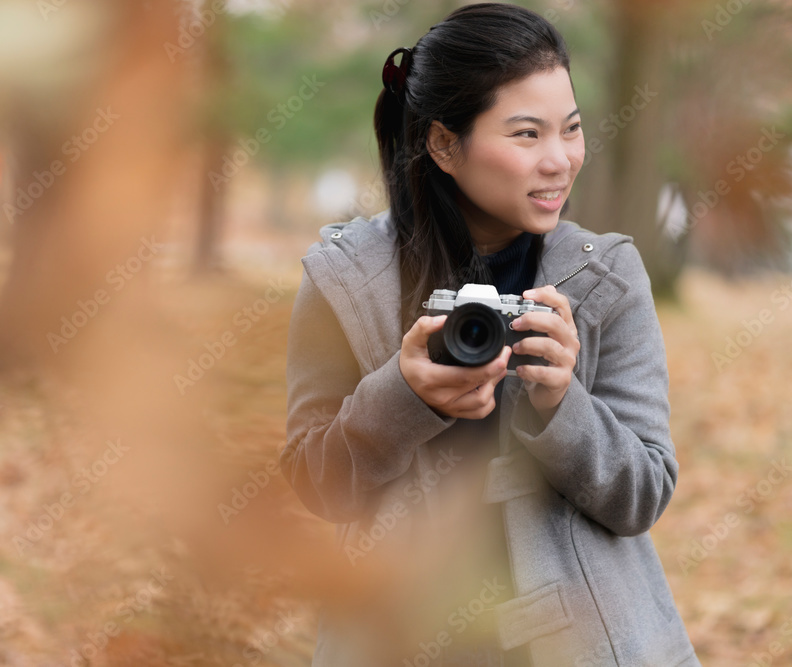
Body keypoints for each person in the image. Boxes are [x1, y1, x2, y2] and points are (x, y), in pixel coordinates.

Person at [283, 3, 700, 666]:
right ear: (445, 144)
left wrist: (563, 404)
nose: (561, 160)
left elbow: (642, 493)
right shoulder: (344, 279)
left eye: (571, 129)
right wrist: (402, 396)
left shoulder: (607, 276)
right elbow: (317, 483)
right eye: (527, 135)